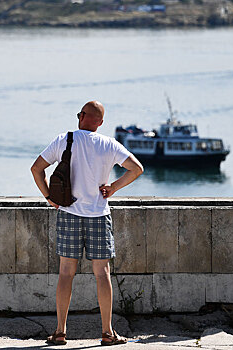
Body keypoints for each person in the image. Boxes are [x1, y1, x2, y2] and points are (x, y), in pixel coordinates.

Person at [30, 101, 143, 346]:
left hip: (69, 213)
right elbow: (136, 169)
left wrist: (49, 197)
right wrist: (112, 188)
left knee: (65, 273)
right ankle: (107, 333)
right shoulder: (108, 144)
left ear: (81, 117)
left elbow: (36, 169)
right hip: (99, 216)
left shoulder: (64, 140)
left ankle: (60, 332)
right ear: (100, 123)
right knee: (102, 274)